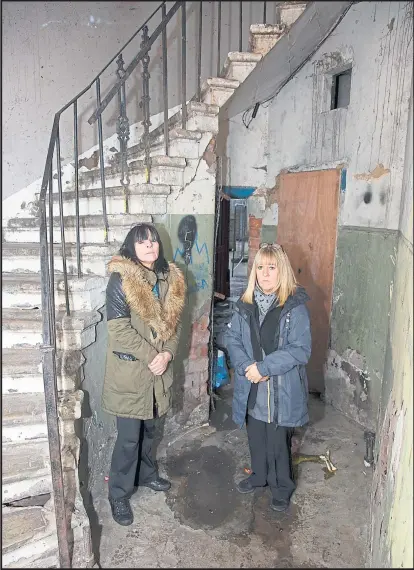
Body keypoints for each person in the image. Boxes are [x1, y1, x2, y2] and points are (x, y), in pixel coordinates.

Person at [102, 223, 186, 526]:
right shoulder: (120, 280)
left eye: (153, 240)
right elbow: (118, 330)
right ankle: (119, 494)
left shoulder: (170, 278)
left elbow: (174, 326)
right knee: (128, 439)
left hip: (158, 372)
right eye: (142, 242)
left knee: (152, 431)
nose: (150, 246)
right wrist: (154, 356)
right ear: (131, 247)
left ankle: (148, 474)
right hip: (131, 373)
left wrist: (168, 354)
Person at [224, 243, 311, 513]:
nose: (265, 273)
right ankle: (259, 476)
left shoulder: (294, 307)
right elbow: (232, 338)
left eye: (271, 268)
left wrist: (264, 368)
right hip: (251, 383)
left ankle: (281, 486)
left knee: (277, 442)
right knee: (256, 434)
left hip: (280, 385)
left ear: (281, 270)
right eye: (260, 267)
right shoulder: (245, 304)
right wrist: (246, 366)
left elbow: (300, 349)